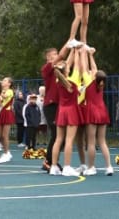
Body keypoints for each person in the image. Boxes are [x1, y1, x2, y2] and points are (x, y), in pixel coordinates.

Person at [81, 47, 113, 176]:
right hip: (102, 110)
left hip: (92, 111)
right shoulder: (101, 83)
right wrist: (91, 55)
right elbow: (94, 68)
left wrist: (83, 52)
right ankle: (109, 166)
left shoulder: (89, 81)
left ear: (94, 76)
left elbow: (84, 67)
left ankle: (91, 167)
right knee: (102, 141)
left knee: (91, 142)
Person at [50, 48, 82, 176]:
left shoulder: (58, 81)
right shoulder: (72, 83)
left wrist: (73, 50)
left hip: (61, 111)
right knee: (69, 140)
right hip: (71, 111)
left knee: (58, 139)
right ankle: (67, 167)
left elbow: (66, 65)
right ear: (66, 71)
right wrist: (78, 52)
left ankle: (53, 166)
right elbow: (77, 66)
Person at [41, 44, 69, 172]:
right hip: (51, 105)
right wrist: (69, 42)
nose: (57, 56)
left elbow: (66, 62)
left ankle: (53, 160)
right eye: (53, 55)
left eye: (56, 54)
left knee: (62, 135)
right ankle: (49, 161)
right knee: (56, 134)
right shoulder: (47, 68)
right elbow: (62, 56)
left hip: (60, 105)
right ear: (48, 58)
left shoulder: (60, 68)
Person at [0, 77, 15, 163]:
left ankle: (6, 153)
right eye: (2, 80)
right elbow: (0, 103)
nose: (2, 81)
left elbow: (4, 96)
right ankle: (6, 152)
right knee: (0, 135)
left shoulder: (10, 91)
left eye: (4, 80)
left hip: (7, 113)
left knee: (5, 135)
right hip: (2, 112)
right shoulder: (2, 91)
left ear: (9, 84)